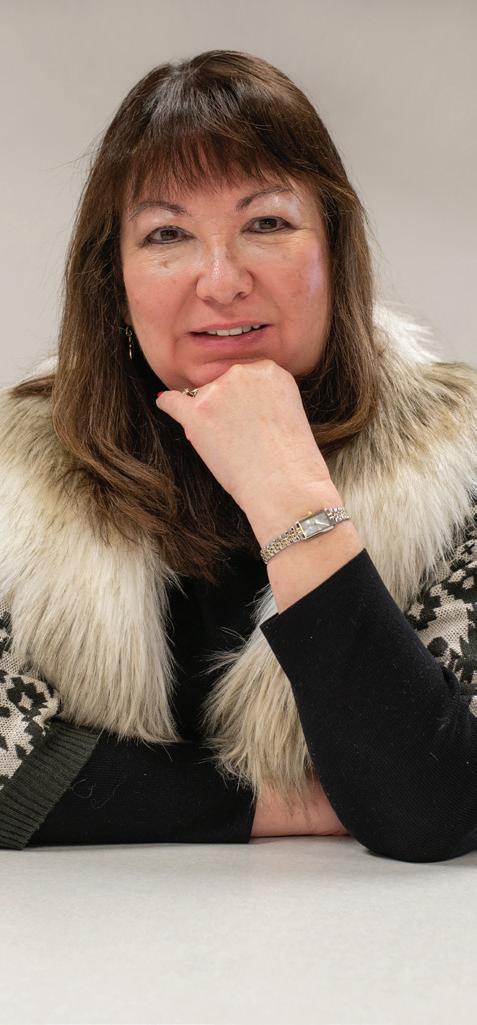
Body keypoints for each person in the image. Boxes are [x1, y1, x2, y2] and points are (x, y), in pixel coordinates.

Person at [0, 50, 476, 861]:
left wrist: (288, 493)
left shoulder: (452, 454)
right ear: (113, 278)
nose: (220, 281)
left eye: (267, 224)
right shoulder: (21, 466)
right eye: (167, 234)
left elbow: (434, 803)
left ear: (334, 251)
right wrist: (269, 803)